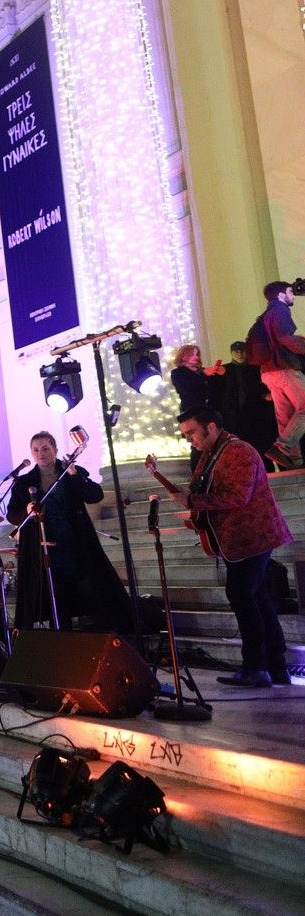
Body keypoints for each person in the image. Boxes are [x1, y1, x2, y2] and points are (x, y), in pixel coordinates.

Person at [166, 407, 295, 686]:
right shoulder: (211, 454)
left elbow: (238, 496)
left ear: (211, 427)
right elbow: (200, 489)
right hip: (238, 540)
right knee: (256, 598)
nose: (189, 440)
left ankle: (256, 667)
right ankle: (275, 666)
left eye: (191, 433)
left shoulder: (237, 451)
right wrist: (190, 497)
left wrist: (193, 502)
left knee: (241, 595)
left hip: (253, 537)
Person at [7, 432, 132, 636]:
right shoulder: (23, 482)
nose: (41, 454)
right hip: (45, 549)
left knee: (92, 592)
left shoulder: (71, 471)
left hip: (76, 545)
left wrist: (74, 474)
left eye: (46, 448)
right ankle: (63, 641)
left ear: (55, 449)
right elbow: (12, 514)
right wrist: (26, 511)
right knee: (57, 597)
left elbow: (94, 495)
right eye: (36, 450)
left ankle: (105, 640)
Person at [246, 280, 305, 468]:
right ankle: (283, 447)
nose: (293, 295)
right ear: (281, 295)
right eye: (290, 291)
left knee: (286, 416)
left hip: (268, 371)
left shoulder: (265, 315)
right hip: (283, 367)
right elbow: (284, 337)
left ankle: (293, 460)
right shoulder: (279, 310)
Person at [217, 340, 279, 468]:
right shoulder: (225, 370)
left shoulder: (256, 368)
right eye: (236, 351)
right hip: (236, 416)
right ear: (231, 353)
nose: (239, 353)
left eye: (242, 350)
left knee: (261, 448)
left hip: (257, 416)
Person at [170, 343, 223, 415]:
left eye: (197, 354)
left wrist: (219, 373)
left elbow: (215, 389)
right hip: (191, 411)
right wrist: (204, 374)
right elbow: (186, 390)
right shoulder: (177, 373)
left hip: (210, 410)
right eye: (192, 355)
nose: (196, 357)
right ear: (182, 356)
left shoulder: (203, 370)